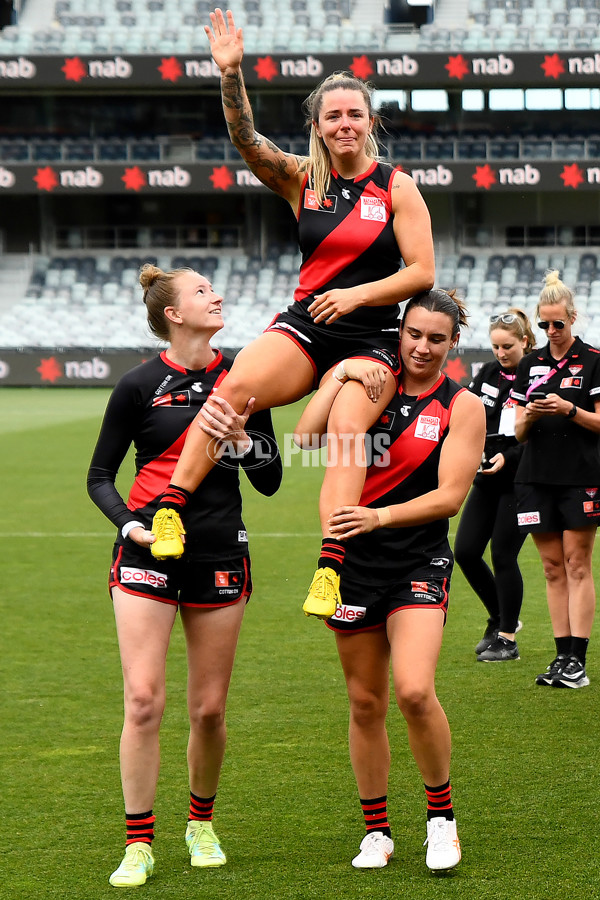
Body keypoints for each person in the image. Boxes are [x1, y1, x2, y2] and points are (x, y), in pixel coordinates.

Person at [148, 6, 435, 622]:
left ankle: (331, 564)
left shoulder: (397, 186)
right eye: (333, 115)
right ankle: (171, 505)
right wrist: (231, 75)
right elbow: (246, 140)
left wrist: (358, 295)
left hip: (373, 336)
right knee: (237, 386)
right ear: (318, 124)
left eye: (355, 113)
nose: (344, 123)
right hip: (308, 325)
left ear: (370, 120)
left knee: (348, 429)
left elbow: (422, 272)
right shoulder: (303, 180)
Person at [87, 264, 282, 887]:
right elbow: (99, 477)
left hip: (222, 552)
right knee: (143, 701)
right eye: (202, 291)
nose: (216, 296)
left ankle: (200, 823)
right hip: (149, 552)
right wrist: (129, 526)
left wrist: (247, 441)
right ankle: (138, 842)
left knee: (209, 710)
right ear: (172, 314)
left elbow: (271, 479)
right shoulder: (138, 385)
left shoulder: (246, 379)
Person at [293, 289, 485, 871]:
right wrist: (340, 373)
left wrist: (379, 514)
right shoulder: (370, 386)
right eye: (414, 335)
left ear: (453, 344)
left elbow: (451, 497)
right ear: (399, 333)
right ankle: (377, 831)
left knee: (413, 691)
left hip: (418, 562)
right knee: (365, 702)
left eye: (436, 339)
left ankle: (441, 820)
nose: (422, 348)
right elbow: (304, 440)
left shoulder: (463, 406)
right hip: (350, 564)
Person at [512, 270, 600, 689]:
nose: (551, 331)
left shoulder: (594, 360)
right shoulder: (529, 364)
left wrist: (568, 409)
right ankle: (562, 655)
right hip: (534, 477)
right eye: (544, 324)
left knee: (577, 564)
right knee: (551, 568)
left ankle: (577, 662)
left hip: (581, 476)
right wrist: (528, 417)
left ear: (573, 318)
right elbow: (516, 432)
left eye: (558, 323)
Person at [454, 308, 536, 662]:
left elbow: (538, 436)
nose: (501, 354)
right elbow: (468, 416)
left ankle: (507, 638)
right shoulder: (487, 372)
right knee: (467, 552)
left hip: (520, 481)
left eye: (508, 346)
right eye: (495, 347)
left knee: (503, 554)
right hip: (486, 477)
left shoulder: (537, 377)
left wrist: (510, 457)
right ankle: (499, 618)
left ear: (525, 342)